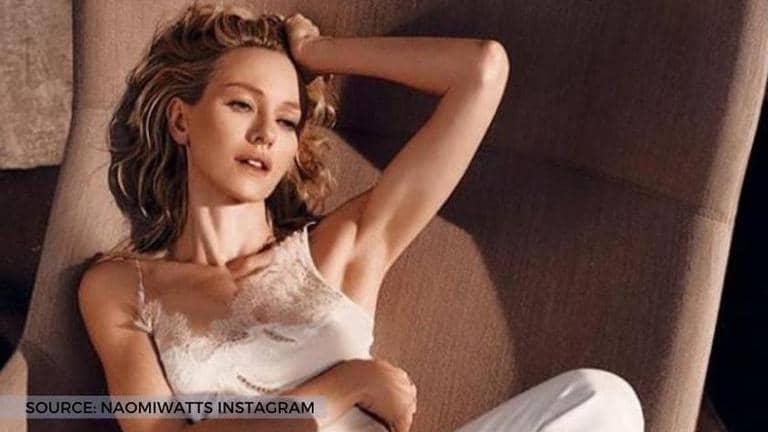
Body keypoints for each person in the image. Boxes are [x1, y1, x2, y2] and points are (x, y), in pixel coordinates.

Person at [78, 2, 645, 432]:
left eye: (287, 120)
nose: (264, 134)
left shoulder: (341, 249)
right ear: (181, 121)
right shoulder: (124, 287)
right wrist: (341, 387)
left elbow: (481, 70)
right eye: (242, 104)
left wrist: (317, 54)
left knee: (601, 399)